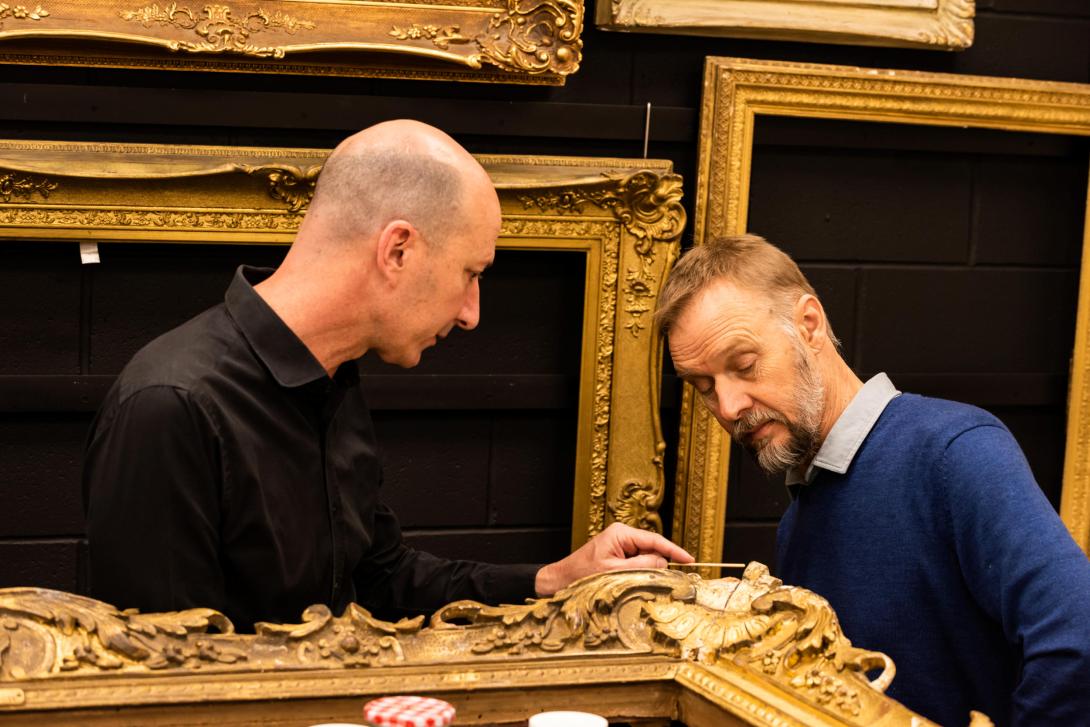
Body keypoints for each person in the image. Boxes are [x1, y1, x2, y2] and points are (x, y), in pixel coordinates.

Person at [83, 120, 691, 630]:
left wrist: (555, 579)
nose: (471, 313)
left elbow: (380, 578)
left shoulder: (334, 376)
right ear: (398, 250)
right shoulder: (171, 406)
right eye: (470, 273)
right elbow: (161, 680)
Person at [653, 234, 1090, 726]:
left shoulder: (954, 449)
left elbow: (1079, 638)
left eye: (744, 365)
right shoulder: (799, 519)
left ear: (809, 325)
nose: (728, 407)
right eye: (704, 387)